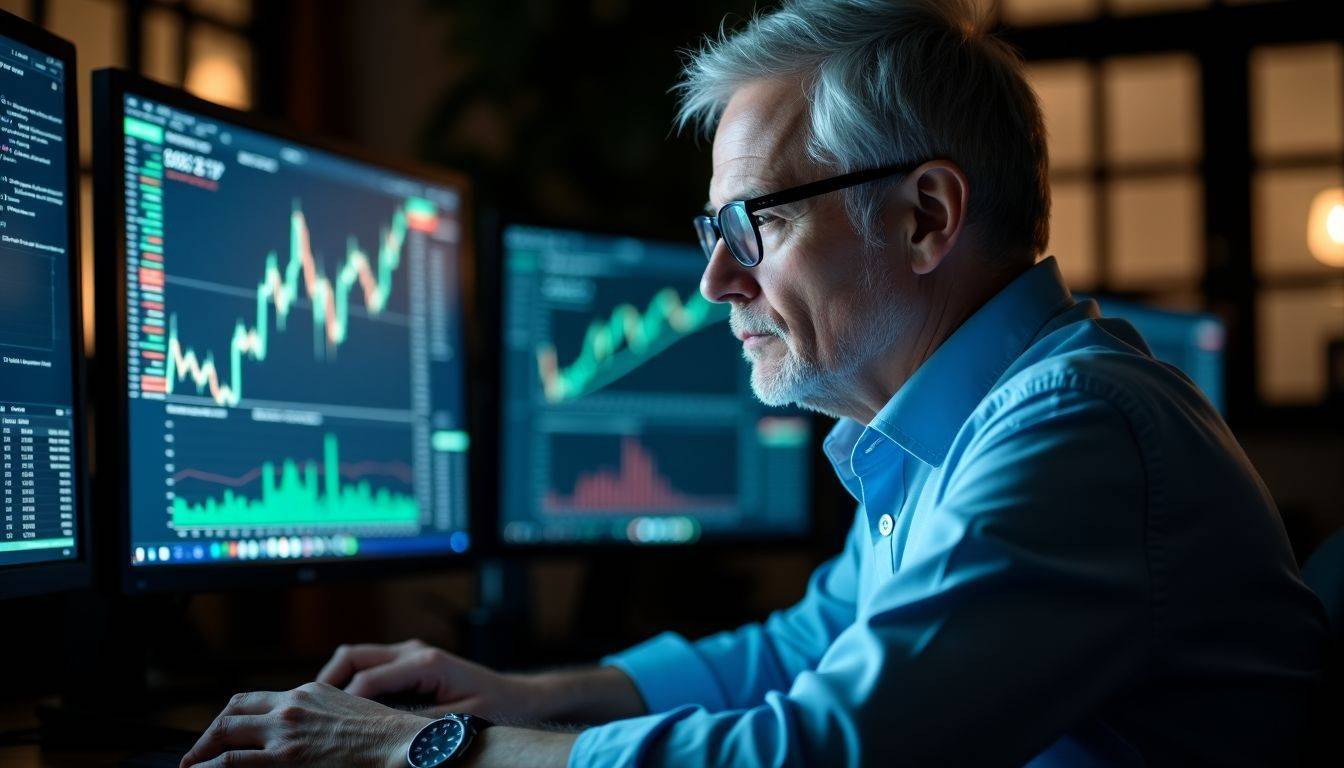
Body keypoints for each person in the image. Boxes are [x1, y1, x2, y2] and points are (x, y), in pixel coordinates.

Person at [181, 1, 1327, 766]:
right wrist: (521, 698)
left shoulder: (1075, 429)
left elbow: (824, 750)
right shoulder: (964, 426)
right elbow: (806, 646)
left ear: (925, 216)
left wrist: (412, 750)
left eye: (755, 222)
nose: (716, 276)